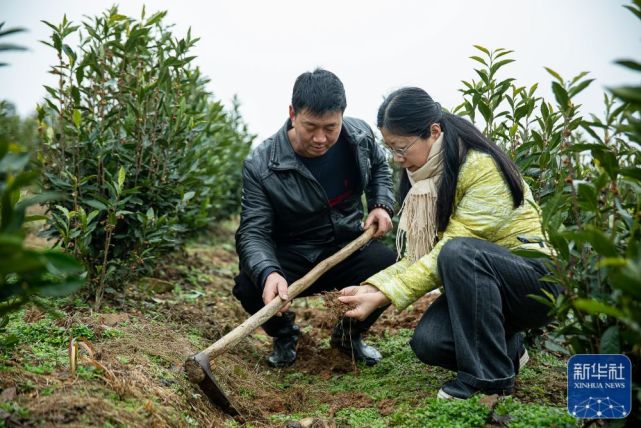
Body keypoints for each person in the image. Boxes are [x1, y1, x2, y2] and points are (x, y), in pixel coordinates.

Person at [338, 87, 562, 399]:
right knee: (429, 341)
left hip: (535, 281)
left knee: (459, 252)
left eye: (402, 148)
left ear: (433, 132)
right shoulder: (423, 183)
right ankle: (508, 351)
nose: (397, 159)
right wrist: (374, 288)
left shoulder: (481, 169)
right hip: (485, 291)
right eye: (391, 149)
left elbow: (451, 250)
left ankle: (491, 383)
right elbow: (420, 255)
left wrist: (385, 295)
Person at [233, 68, 397, 368]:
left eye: (330, 127)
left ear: (342, 117)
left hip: (346, 245)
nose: (320, 138)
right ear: (292, 113)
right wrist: (269, 271)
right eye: (310, 126)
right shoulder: (262, 164)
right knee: (249, 283)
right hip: (294, 255)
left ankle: (349, 337)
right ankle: (284, 335)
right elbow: (253, 232)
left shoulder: (359, 136)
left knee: (387, 265)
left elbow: (380, 168)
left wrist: (381, 203)